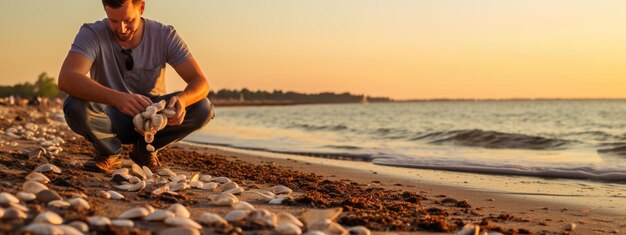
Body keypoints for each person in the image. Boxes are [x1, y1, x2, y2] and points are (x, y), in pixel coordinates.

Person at [58, 0, 214, 172]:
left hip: (154, 119)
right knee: (74, 105)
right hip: (110, 116)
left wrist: (183, 100)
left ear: (141, 8)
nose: (122, 29)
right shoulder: (92, 33)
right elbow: (67, 78)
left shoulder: (165, 35)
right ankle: (108, 151)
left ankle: (144, 151)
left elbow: (200, 81)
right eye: (114, 21)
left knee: (203, 107)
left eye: (129, 20)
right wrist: (117, 99)